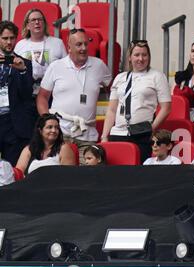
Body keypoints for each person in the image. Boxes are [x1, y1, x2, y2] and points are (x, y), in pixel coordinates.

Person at [37, 29, 112, 164]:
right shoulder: (56, 66)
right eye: (78, 44)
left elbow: (111, 88)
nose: (83, 48)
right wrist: (47, 122)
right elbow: (42, 97)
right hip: (60, 134)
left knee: (87, 178)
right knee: (60, 177)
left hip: (87, 134)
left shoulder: (99, 65)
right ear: (69, 47)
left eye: (85, 44)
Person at [101, 40, 171, 164]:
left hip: (142, 134)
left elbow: (166, 108)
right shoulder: (120, 77)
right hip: (117, 133)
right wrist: (105, 136)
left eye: (144, 55)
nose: (141, 58)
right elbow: (112, 110)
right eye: (137, 55)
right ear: (129, 57)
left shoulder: (157, 76)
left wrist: (152, 128)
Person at [0, 21, 36, 167]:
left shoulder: (25, 63)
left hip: (13, 123)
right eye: (5, 38)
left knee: (13, 169)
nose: (9, 42)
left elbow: (27, 94)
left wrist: (22, 70)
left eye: (12, 38)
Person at [15, 9, 67, 97]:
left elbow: (66, 68)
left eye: (40, 19)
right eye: (33, 20)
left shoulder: (58, 43)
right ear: (27, 25)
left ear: (44, 23)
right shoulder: (20, 45)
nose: (37, 22)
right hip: (26, 94)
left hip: (52, 93)